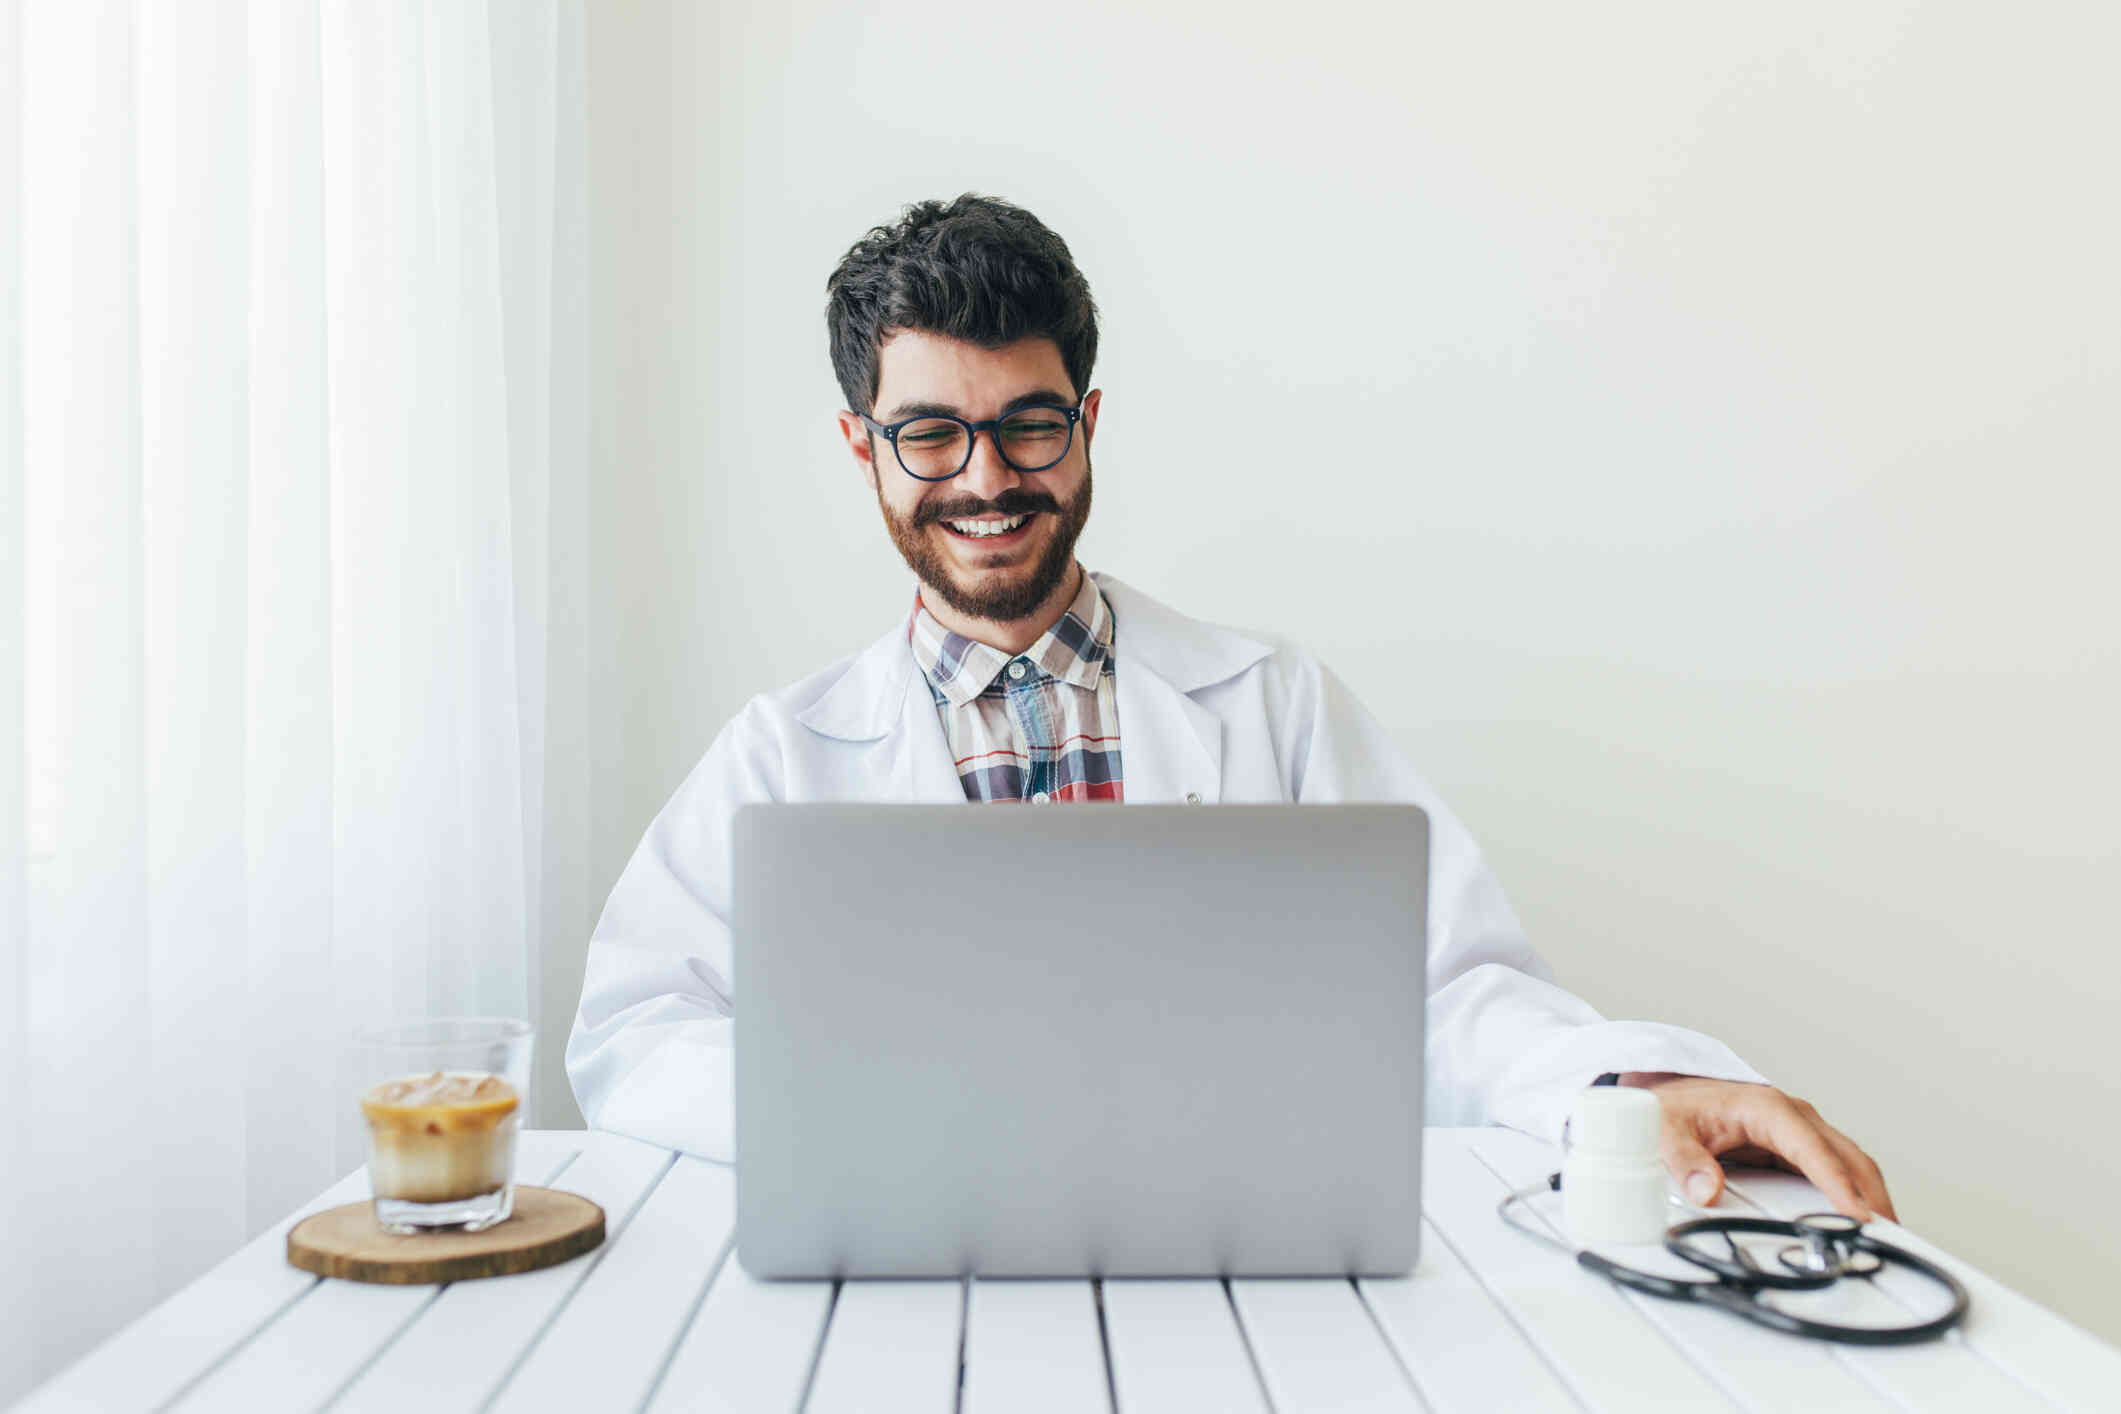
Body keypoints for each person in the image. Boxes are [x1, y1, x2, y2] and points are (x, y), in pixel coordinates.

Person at [567, 193, 1895, 1221]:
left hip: (1238, 1267)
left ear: (1086, 422)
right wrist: (876, 1095)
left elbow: (1446, 991)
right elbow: (634, 1034)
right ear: (863, 443)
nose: (985, 477)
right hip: (920, 1270)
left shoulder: (1270, 704)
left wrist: (1642, 1088)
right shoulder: (782, 755)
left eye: (1029, 425)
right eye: (929, 433)